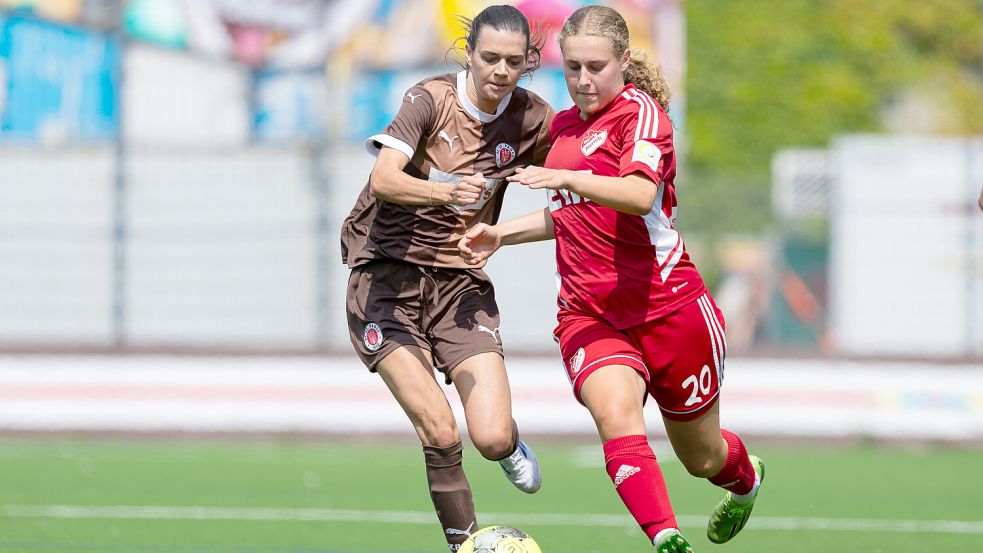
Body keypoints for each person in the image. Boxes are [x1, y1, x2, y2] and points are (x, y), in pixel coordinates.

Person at [459, 6, 763, 552]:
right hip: (590, 314)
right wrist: (500, 234)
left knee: (702, 458)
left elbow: (639, 194)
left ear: (624, 60)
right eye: (572, 68)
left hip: (669, 308)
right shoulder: (564, 128)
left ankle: (746, 480)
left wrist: (562, 173)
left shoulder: (642, 117)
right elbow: (572, 210)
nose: (582, 80)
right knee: (615, 413)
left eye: (595, 67)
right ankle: (667, 538)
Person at [339, 5, 554, 552]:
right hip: (386, 281)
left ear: (529, 62)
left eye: (513, 61)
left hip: (458, 285)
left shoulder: (534, 118)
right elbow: (384, 177)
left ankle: (508, 447)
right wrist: (444, 188)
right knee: (439, 430)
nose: (500, 71)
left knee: (491, 435)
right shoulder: (429, 99)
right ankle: (464, 545)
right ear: (469, 53)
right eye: (489, 58)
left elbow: (576, 179)